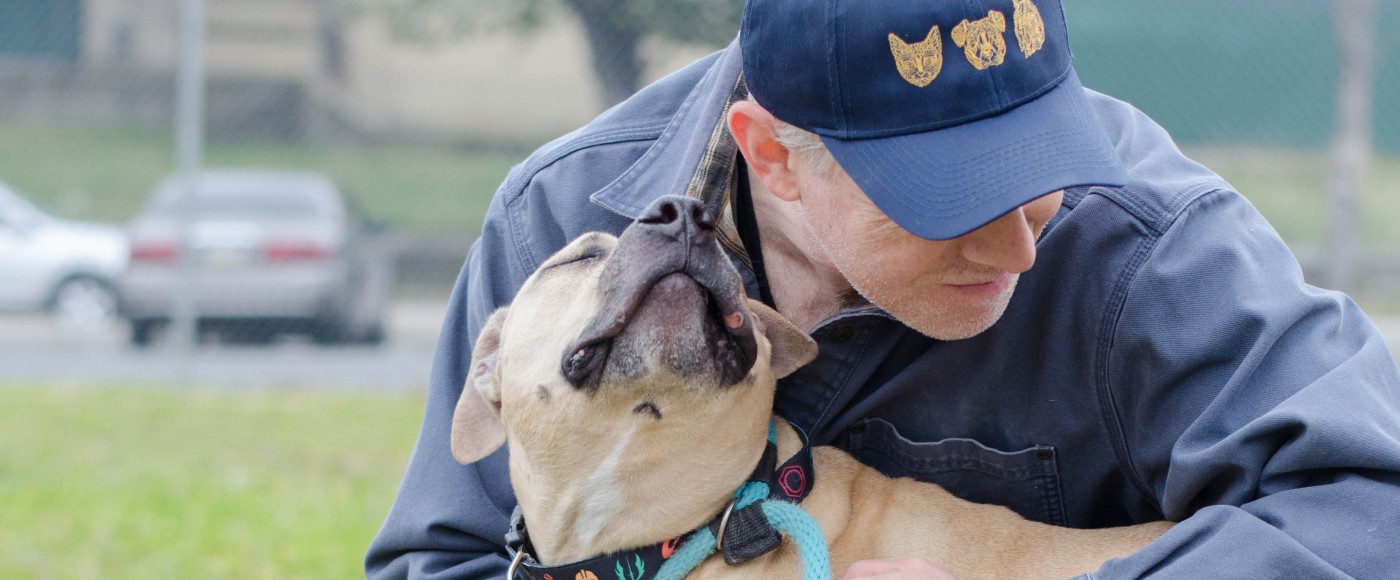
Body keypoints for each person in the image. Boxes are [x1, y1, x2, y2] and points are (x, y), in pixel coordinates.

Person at [367, 0, 1400, 577]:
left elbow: (1368, 507)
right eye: (946, 196)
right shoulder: (562, 226)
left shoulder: (1143, 239)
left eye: (1037, 164)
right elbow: (443, 557)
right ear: (769, 156)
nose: (1021, 247)